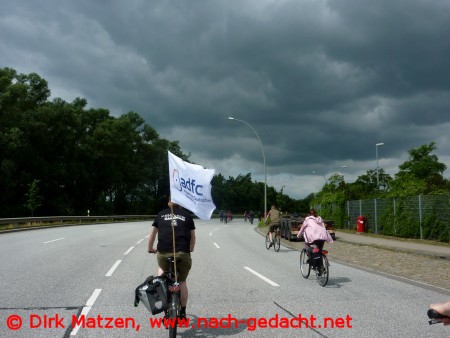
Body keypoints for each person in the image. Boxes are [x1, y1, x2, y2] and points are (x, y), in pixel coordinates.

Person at [148, 199, 196, 319]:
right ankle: (183, 312)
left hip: (163, 253)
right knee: (182, 281)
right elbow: (193, 236)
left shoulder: (161, 214)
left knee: (161, 268)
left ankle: (160, 282)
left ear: (168, 203)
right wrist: (190, 249)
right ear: (181, 203)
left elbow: (153, 234)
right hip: (182, 253)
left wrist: (150, 248)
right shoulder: (187, 215)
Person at [297, 209, 333, 273]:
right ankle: (320, 268)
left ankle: (311, 259)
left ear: (308, 214)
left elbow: (302, 228)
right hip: (322, 237)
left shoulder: (307, 219)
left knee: (307, 245)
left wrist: (298, 235)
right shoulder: (319, 218)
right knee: (319, 251)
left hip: (313, 238)